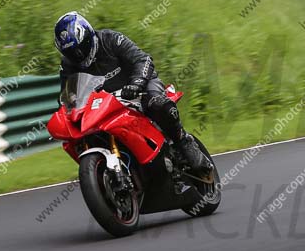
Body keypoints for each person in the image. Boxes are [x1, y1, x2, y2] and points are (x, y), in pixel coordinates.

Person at [53, 11, 212, 173]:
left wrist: (137, 83)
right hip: (105, 105)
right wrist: (67, 111)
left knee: (157, 103)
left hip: (138, 86)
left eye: (80, 49)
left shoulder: (111, 39)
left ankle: (183, 141)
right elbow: (67, 94)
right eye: (71, 53)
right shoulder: (68, 64)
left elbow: (143, 59)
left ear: (87, 36)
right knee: (83, 135)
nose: (78, 55)